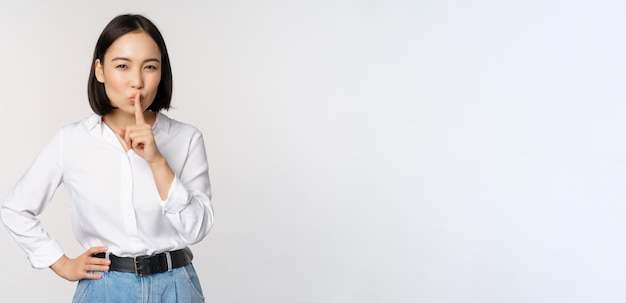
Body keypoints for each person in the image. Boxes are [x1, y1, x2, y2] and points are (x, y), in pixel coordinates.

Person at [0, 14, 213, 302]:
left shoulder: (186, 139)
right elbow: (15, 208)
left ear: (162, 73)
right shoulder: (71, 141)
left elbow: (197, 229)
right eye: (122, 66)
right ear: (99, 70)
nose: (137, 81)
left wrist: (156, 160)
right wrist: (61, 263)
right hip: (105, 288)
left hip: (175, 287)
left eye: (150, 67)